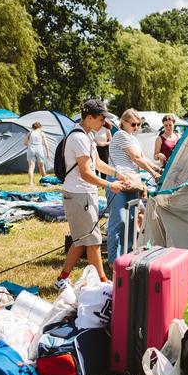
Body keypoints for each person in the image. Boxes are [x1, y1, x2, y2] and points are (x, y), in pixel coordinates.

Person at [56, 99, 130, 290]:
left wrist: (117, 173)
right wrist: (109, 184)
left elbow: (96, 164)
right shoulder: (79, 138)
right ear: (89, 118)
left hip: (85, 194)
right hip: (79, 194)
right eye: (101, 119)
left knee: (82, 240)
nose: (103, 123)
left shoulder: (87, 135)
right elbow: (86, 172)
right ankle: (104, 282)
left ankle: (62, 278)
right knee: (94, 241)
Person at [106, 109, 163, 264]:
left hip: (132, 182)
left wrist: (157, 169)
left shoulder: (133, 138)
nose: (136, 127)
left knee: (132, 221)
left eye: (139, 124)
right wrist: (153, 173)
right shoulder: (120, 135)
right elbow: (136, 158)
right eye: (133, 124)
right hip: (119, 181)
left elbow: (143, 157)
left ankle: (127, 256)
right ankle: (113, 260)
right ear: (123, 122)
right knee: (118, 222)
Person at [23, 121, 50, 187]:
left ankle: (30, 183)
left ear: (33, 127)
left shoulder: (29, 133)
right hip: (39, 149)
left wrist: (30, 144)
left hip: (31, 149)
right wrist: (48, 153)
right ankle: (45, 181)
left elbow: (24, 143)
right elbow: (46, 144)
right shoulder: (41, 133)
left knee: (31, 167)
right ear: (39, 127)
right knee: (41, 166)